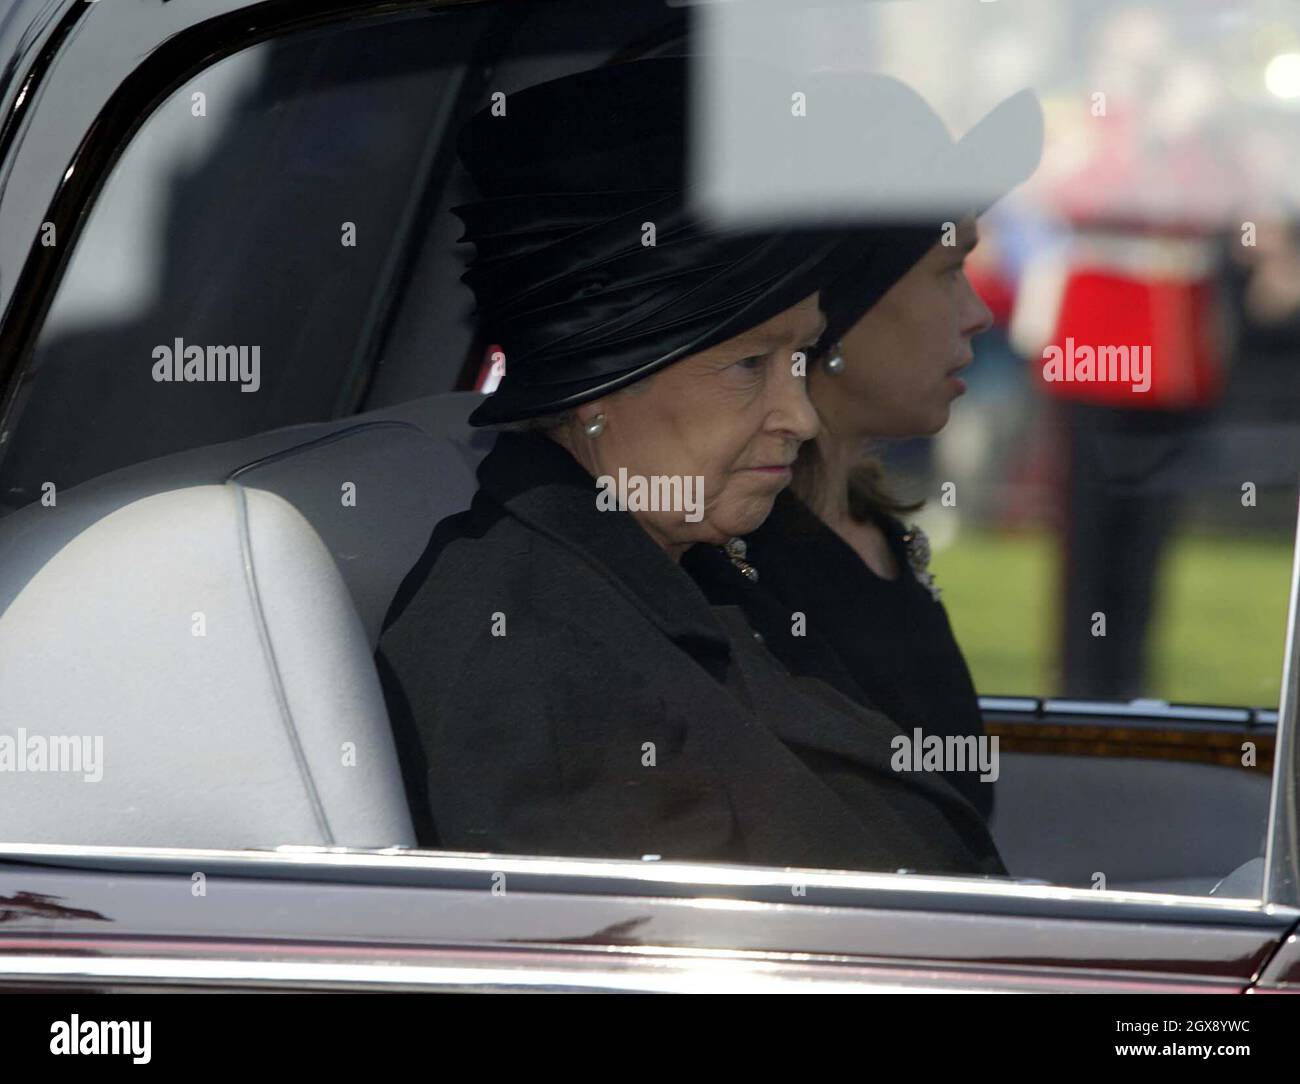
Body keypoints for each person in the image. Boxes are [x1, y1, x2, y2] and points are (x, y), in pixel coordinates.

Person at [376, 58, 1005, 876]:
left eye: (804, 356)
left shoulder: (681, 572)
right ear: (602, 375)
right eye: (750, 365)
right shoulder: (537, 659)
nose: (801, 415)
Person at [683, 73, 1044, 821]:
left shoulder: (863, 527)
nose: (978, 314)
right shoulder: (734, 567)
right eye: (948, 272)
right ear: (836, 308)